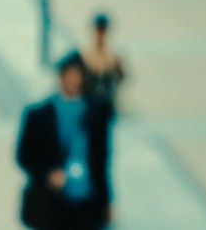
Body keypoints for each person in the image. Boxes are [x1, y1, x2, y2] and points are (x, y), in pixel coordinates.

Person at [16, 52, 114, 230]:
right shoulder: (39, 114)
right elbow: (24, 156)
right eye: (69, 75)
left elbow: (102, 159)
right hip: (53, 202)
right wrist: (47, 174)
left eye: (77, 75)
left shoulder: (96, 112)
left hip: (87, 199)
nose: (73, 80)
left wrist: (107, 200)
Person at [80, 14, 125, 109]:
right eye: (98, 29)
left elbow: (121, 78)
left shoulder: (114, 56)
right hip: (87, 102)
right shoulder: (85, 54)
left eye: (103, 30)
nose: (100, 34)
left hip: (107, 103)